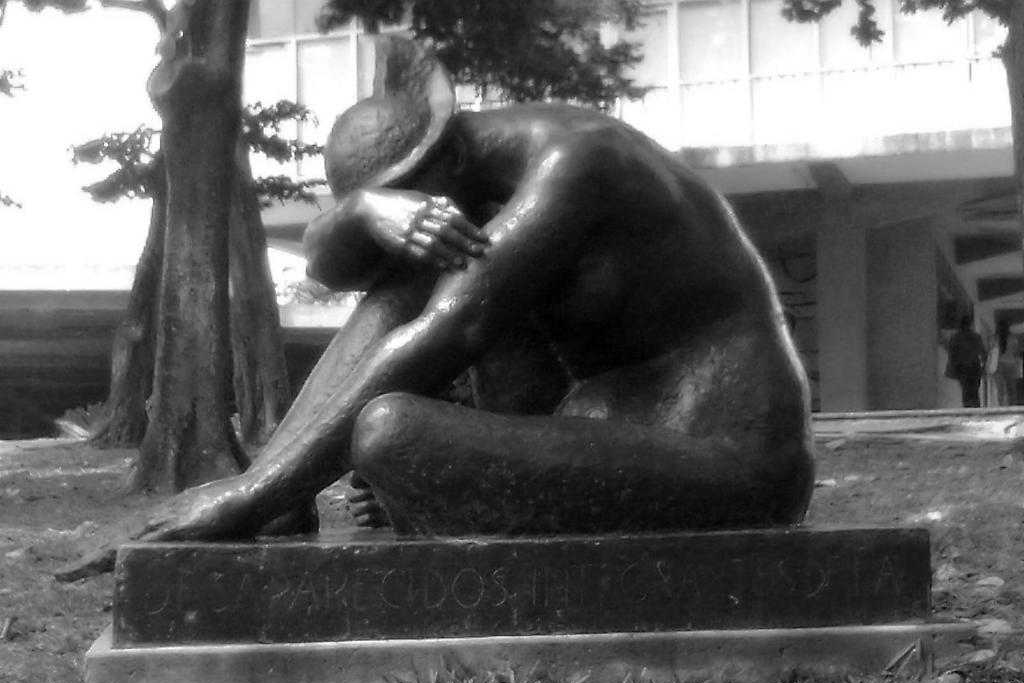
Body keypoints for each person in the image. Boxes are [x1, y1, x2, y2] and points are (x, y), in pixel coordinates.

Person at [56, 36, 814, 580]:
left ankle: (274, 497)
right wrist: (365, 213)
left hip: (718, 454)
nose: (407, 226)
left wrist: (249, 494)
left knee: (388, 428)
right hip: (602, 424)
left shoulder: (577, 164)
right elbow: (334, 269)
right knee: (405, 288)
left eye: (408, 198)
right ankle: (283, 503)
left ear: (447, 154)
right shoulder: (478, 182)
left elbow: (451, 331)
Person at [947, 315, 986, 408]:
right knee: (974, 391)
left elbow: (952, 354)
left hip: (962, 367)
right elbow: (983, 352)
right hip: (975, 366)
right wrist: (983, 366)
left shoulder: (955, 338)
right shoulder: (976, 337)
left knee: (966, 392)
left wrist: (953, 368)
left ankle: (968, 410)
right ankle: (976, 409)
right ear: (970, 324)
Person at [993, 320, 1021, 407]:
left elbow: (991, 352)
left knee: (1000, 389)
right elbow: (1016, 353)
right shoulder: (1013, 339)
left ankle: (1001, 406)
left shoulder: (994, 339)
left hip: (998, 366)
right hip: (1010, 364)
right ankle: (1011, 406)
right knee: (1011, 388)